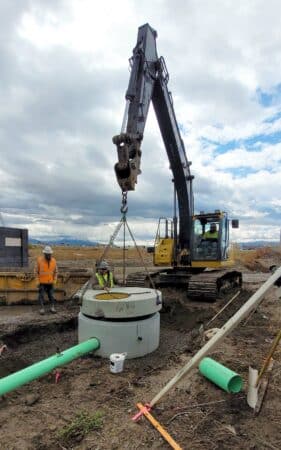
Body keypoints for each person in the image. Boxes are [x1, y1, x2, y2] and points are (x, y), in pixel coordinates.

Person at [35, 245, 58, 314]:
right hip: (42, 283)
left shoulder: (54, 261)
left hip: (50, 282)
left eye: (50, 254)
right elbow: (36, 272)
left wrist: (55, 280)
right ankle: (42, 309)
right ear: (44, 254)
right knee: (41, 295)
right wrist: (37, 281)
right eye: (47, 254)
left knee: (51, 295)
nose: (49, 255)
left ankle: (52, 307)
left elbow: (56, 272)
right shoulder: (39, 260)